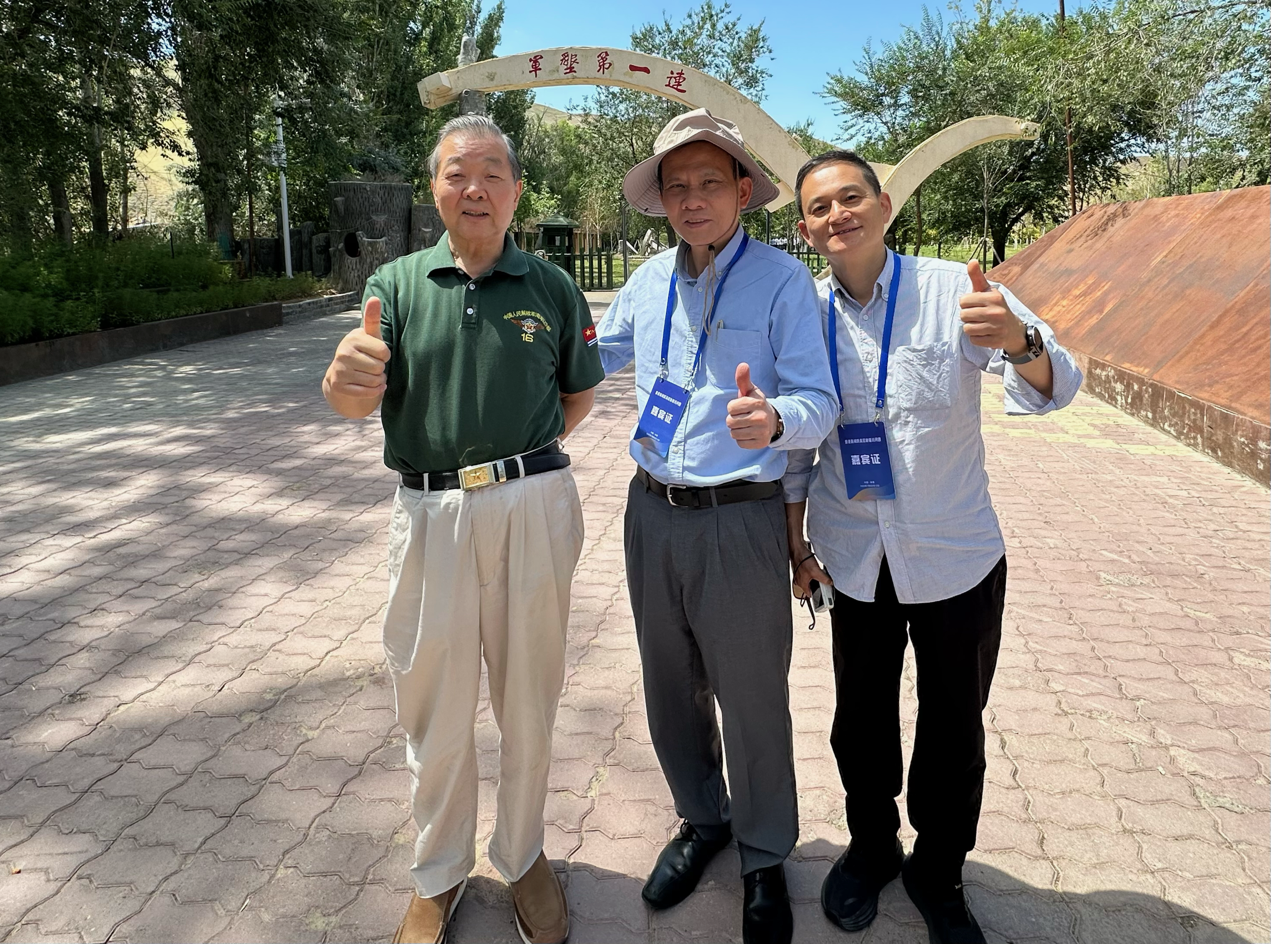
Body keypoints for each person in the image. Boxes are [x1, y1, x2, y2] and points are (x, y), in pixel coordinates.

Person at [784, 150, 1083, 944]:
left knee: (954, 725)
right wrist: (796, 546)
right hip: (854, 556)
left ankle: (939, 868)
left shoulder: (955, 289)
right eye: (820, 207)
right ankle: (872, 848)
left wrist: (1019, 341)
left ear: (884, 206)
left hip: (955, 554)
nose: (838, 214)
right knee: (860, 718)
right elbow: (799, 446)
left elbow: (1061, 382)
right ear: (806, 230)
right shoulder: (802, 311)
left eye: (852, 197)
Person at [321, 115, 604, 944]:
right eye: (456, 173)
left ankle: (523, 856)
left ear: (516, 191)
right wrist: (342, 381)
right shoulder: (397, 285)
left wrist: (514, 468)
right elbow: (352, 400)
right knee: (432, 702)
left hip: (533, 508)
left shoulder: (551, 286)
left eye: (491, 173)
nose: (474, 188)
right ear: (435, 189)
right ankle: (438, 871)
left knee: (530, 697)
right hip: (429, 513)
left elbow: (578, 396)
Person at [596, 108, 839, 944]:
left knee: (752, 697)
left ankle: (765, 855)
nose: (692, 199)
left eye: (709, 182)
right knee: (670, 684)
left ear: (742, 190)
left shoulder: (782, 282)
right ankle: (703, 820)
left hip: (740, 517)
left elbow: (820, 400)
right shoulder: (646, 281)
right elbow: (589, 358)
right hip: (651, 512)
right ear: (661, 199)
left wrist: (774, 419)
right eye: (676, 186)